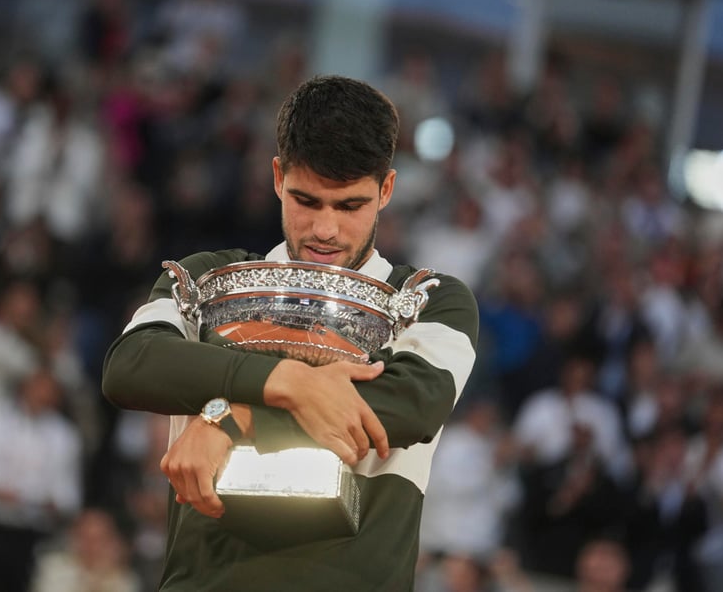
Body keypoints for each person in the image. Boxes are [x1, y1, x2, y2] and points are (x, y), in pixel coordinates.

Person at [102, 75, 479, 590]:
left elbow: (411, 404)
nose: (326, 229)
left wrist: (229, 417)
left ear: (386, 190)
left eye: (350, 206)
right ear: (278, 177)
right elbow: (130, 365)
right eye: (307, 201)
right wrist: (293, 383)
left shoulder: (428, 299)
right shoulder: (211, 277)